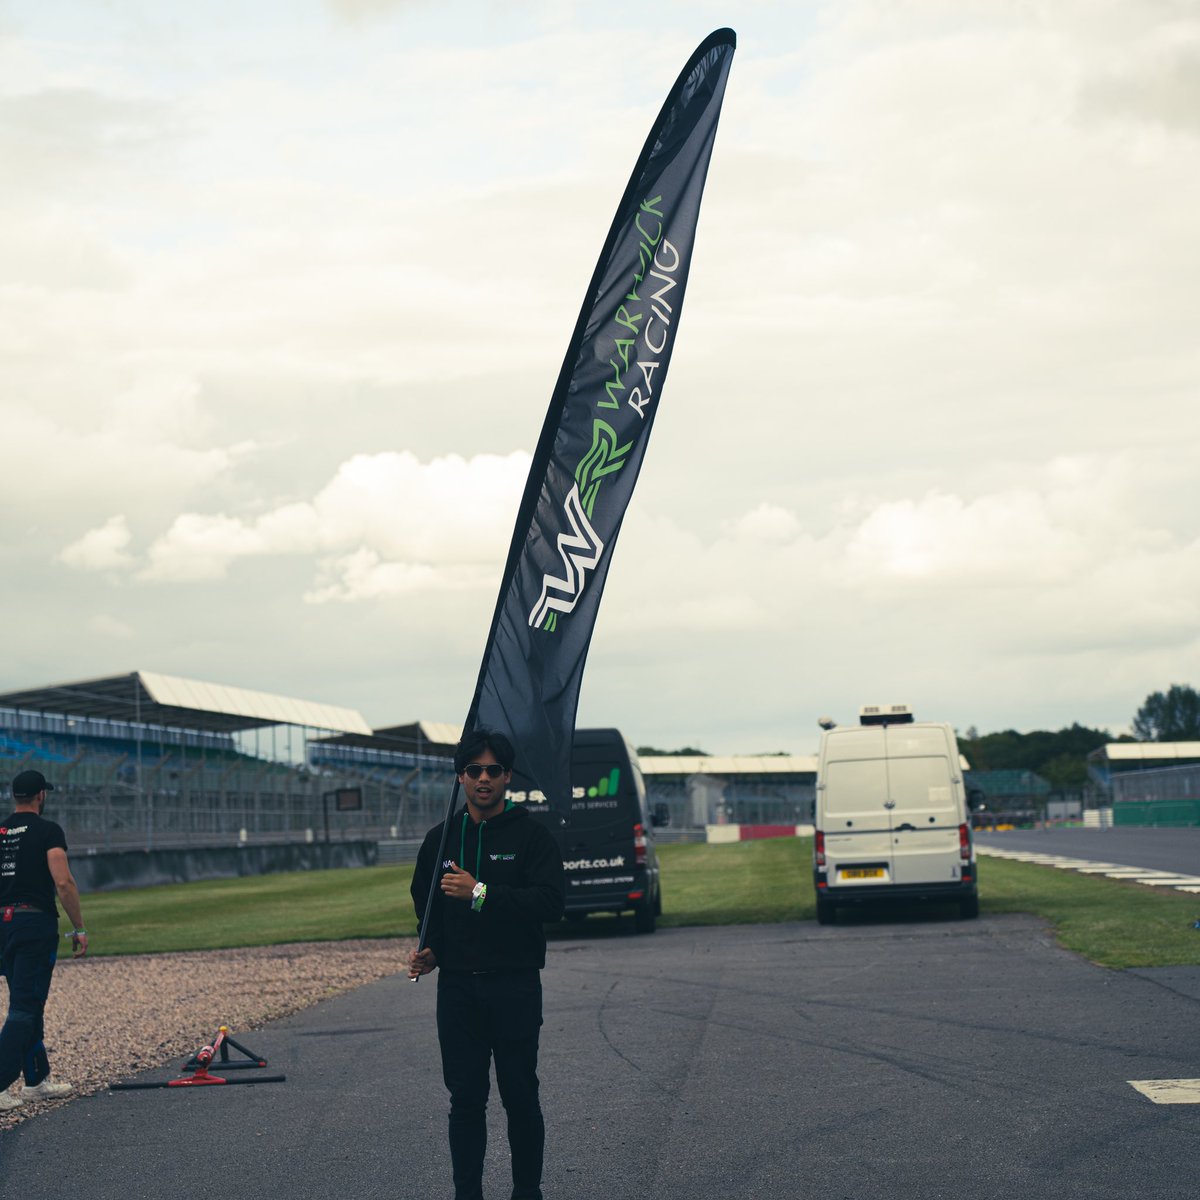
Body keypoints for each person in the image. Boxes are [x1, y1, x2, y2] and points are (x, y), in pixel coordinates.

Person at [409, 730, 565, 1200]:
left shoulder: (531, 835)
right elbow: (427, 909)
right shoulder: (440, 840)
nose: (483, 778)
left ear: (507, 776)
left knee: (520, 1096)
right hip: (458, 992)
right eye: (473, 769)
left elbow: (550, 903)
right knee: (465, 1101)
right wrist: (432, 951)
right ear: (461, 776)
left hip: (515, 986)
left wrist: (480, 893)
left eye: (493, 770)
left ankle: (527, 1192)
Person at [0, 769, 88, 1112]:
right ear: (41, 795)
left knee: (26, 1000)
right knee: (25, 1006)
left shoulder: (1, 830)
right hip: (33, 924)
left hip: (3, 924)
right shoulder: (48, 830)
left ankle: (36, 1080)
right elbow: (63, 882)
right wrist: (78, 927)